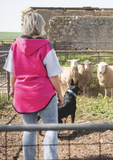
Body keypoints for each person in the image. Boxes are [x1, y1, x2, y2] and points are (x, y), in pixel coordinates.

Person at [3, 12, 64, 160]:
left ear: (25, 26)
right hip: (44, 95)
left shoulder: (14, 46)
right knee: (50, 128)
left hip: (23, 95)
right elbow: (53, 75)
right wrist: (60, 94)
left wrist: (12, 89)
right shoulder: (46, 46)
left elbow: (12, 73)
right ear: (41, 26)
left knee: (29, 128)